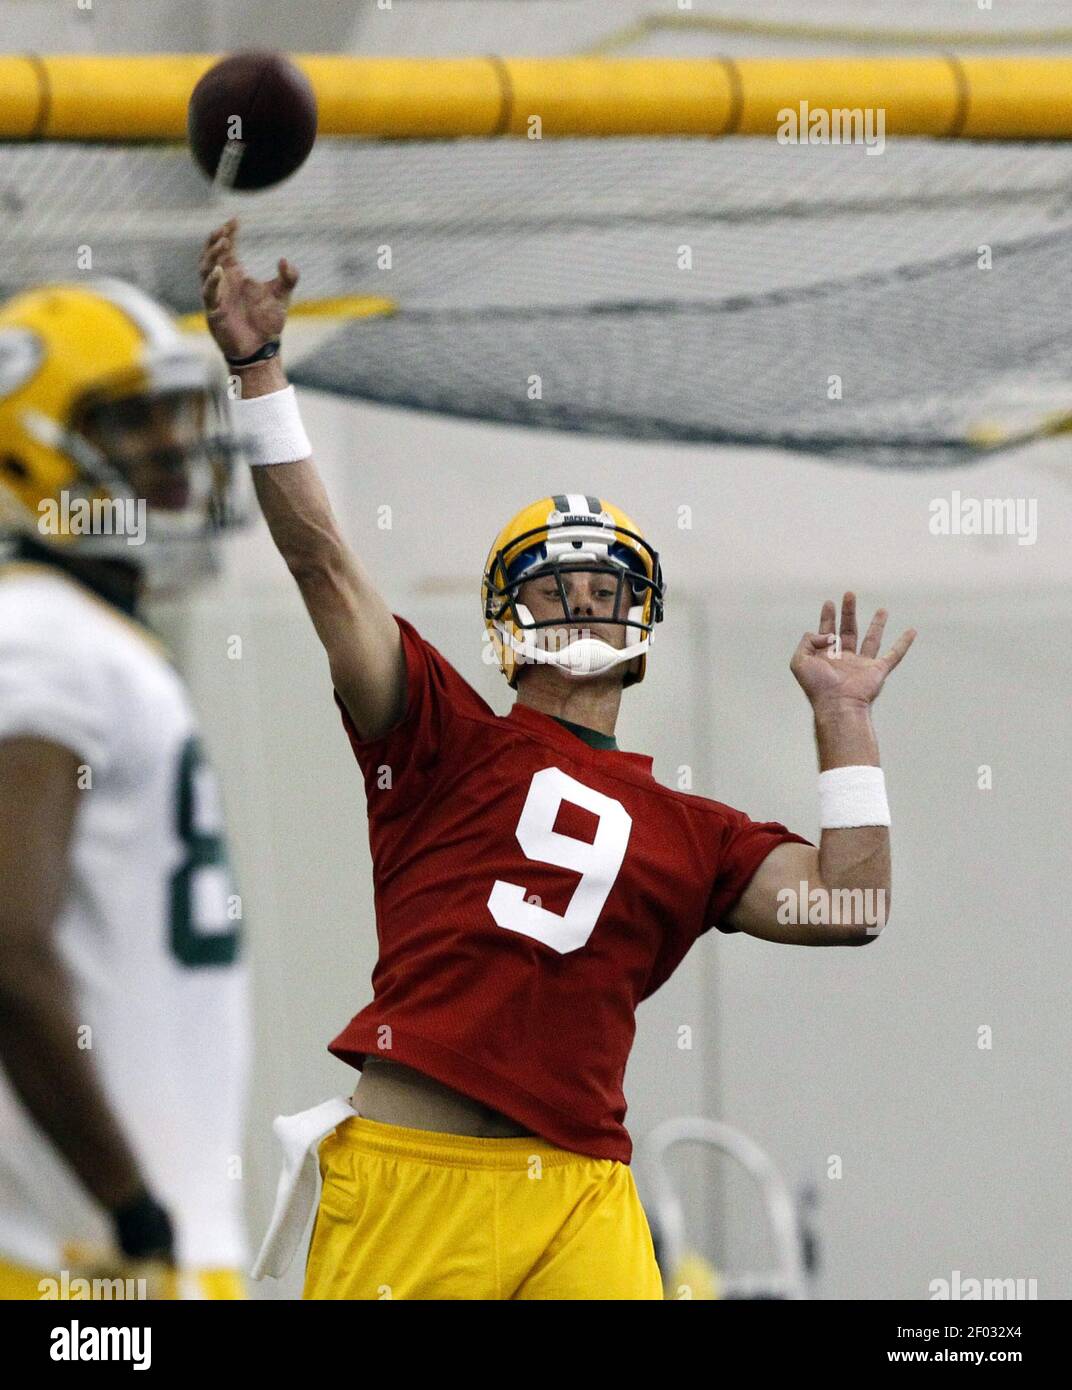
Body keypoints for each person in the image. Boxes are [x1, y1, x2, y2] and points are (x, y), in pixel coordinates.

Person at [200, 217, 915, 1300]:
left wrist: (844, 727)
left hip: (581, 1182)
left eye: (604, 585)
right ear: (503, 623)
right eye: (554, 584)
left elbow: (849, 905)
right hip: (413, 1173)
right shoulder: (437, 734)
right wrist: (257, 373)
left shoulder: (699, 830)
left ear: (643, 624)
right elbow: (323, 565)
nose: (583, 601)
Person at [0, 278, 250, 1299]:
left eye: (172, 411)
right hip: (94, 1265)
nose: (171, 445)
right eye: (129, 418)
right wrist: (130, 1210)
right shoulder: (44, 638)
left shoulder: (77, 632)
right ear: (28, 447)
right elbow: (7, 939)